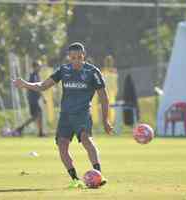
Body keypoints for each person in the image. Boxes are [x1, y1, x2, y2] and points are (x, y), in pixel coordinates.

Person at [13, 42, 113, 188]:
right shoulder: (63, 70)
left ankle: (98, 175)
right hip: (65, 116)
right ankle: (75, 180)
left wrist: (105, 120)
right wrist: (25, 84)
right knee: (62, 146)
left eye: (79, 57)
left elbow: (104, 97)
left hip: (82, 114)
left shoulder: (93, 72)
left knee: (86, 140)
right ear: (69, 58)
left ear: (83, 56)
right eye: (73, 58)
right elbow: (43, 86)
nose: (77, 61)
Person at [13, 61, 46, 137]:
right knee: (37, 115)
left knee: (36, 116)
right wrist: (42, 97)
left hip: (34, 99)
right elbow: (37, 87)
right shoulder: (34, 75)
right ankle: (21, 129)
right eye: (39, 66)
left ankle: (22, 129)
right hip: (33, 100)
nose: (40, 68)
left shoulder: (36, 75)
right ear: (35, 67)